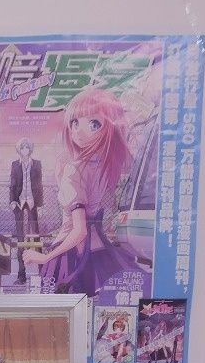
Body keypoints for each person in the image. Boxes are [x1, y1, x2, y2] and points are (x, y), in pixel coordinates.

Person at [22, 86, 144, 296]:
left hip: (70, 257)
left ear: (109, 129)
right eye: (74, 123)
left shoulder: (75, 170)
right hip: (101, 253)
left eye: (94, 124)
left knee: (63, 312)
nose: (78, 131)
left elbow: (79, 230)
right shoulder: (106, 166)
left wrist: (44, 257)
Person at [9, 138, 43, 284]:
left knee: (36, 237)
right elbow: (12, 184)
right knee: (20, 239)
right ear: (19, 149)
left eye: (27, 147)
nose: (25, 150)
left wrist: (40, 204)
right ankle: (21, 275)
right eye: (22, 147)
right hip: (19, 202)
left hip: (33, 202)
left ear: (30, 149)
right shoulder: (15, 165)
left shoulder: (37, 164)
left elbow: (39, 185)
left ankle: (43, 272)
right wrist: (12, 201)